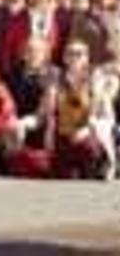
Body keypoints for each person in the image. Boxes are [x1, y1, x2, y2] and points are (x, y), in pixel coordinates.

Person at [43, 41, 115, 180]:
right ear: (64, 58)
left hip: (88, 133)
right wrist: (49, 131)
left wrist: (85, 130)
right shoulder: (57, 77)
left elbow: (96, 109)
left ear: (86, 58)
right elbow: (51, 109)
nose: (74, 57)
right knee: (61, 175)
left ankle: (106, 165)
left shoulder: (94, 78)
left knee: (89, 158)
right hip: (64, 133)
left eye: (79, 54)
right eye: (70, 53)